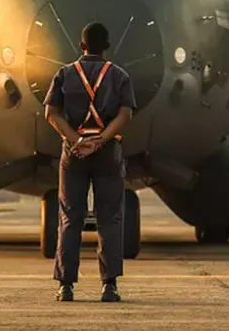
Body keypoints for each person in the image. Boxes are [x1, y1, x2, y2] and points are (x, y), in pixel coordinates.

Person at [43, 21, 136, 303]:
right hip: (107, 152)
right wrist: (101, 140)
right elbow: (125, 114)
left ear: (81, 45)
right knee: (110, 218)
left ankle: (66, 286)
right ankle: (109, 286)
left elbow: (51, 113)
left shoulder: (64, 74)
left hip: (74, 152)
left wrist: (77, 141)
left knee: (70, 218)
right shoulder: (119, 76)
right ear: (107, 46)